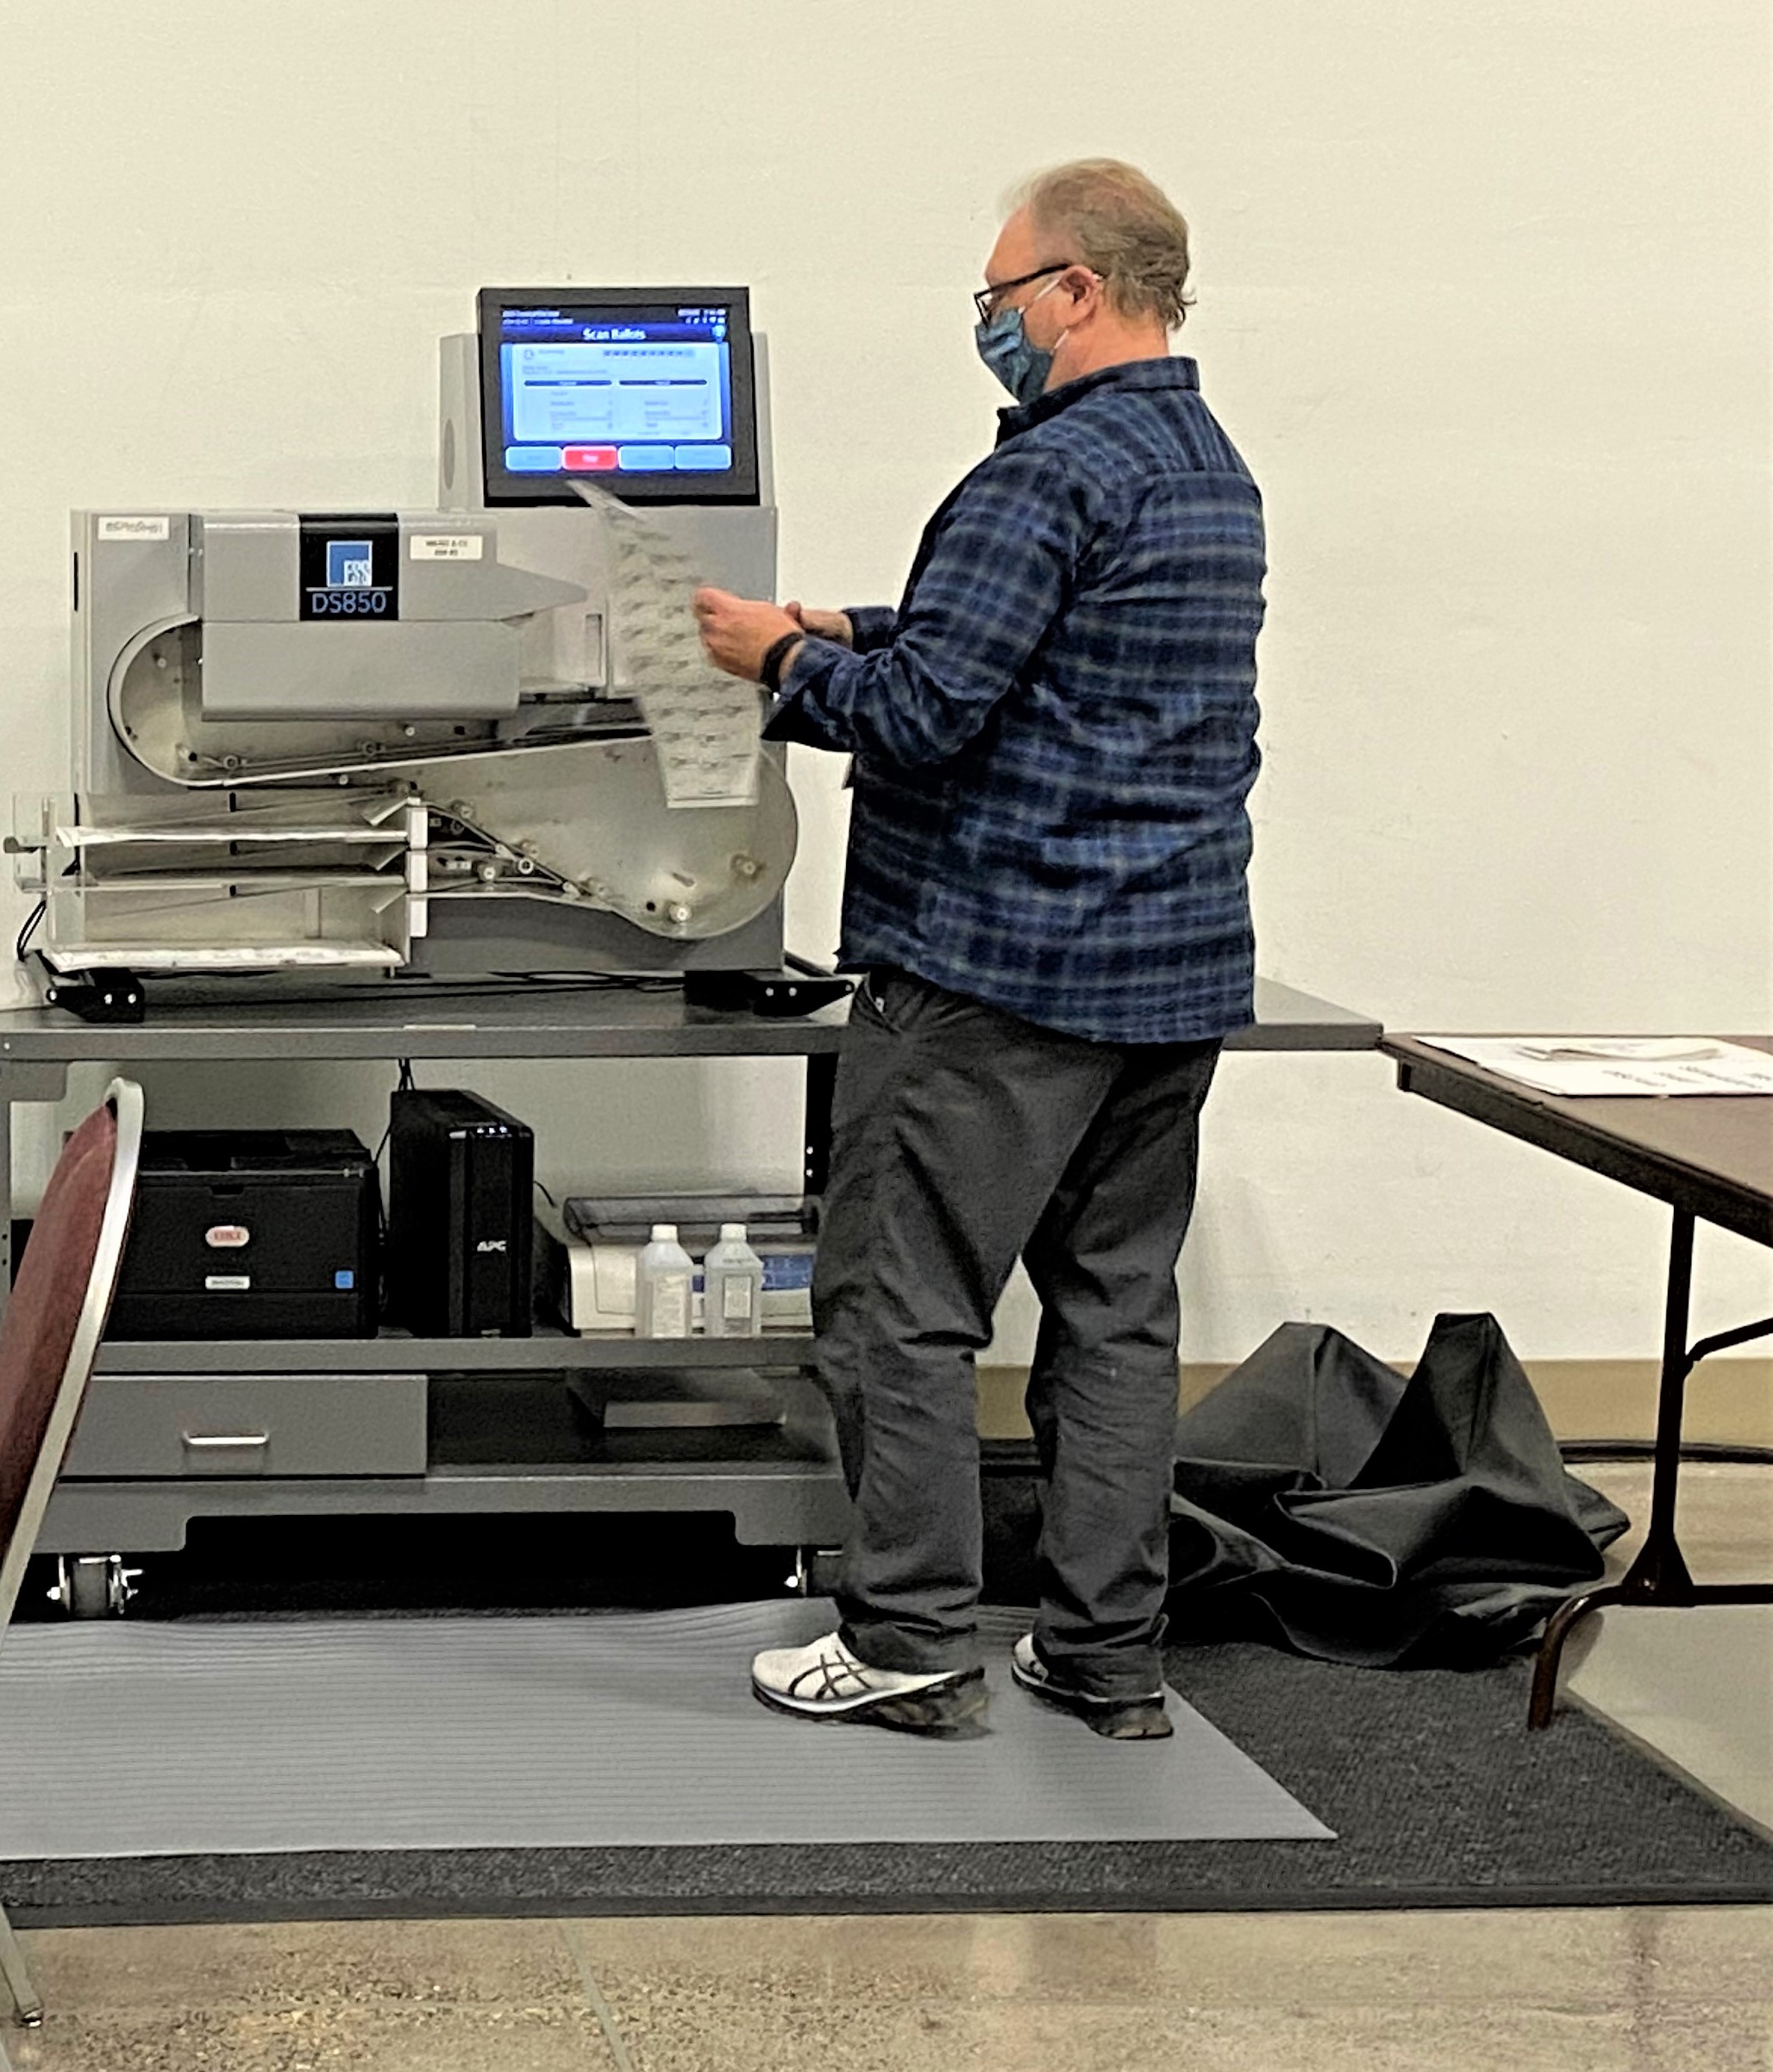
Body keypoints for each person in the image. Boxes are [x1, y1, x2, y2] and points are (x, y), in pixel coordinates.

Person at [691, 160, 1265, 1741]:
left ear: (1075, 290)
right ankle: (1101, 1656)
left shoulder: (1041, 477)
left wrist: (784, 661)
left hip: (998, 977)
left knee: (901, 1312)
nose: (988, 323)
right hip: (1169, 975)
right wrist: (857, 623)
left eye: (997, 296)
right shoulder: (1208, 469)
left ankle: (907, 1643)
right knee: (1113, 1320)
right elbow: (1050, 656)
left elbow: (931, 715)